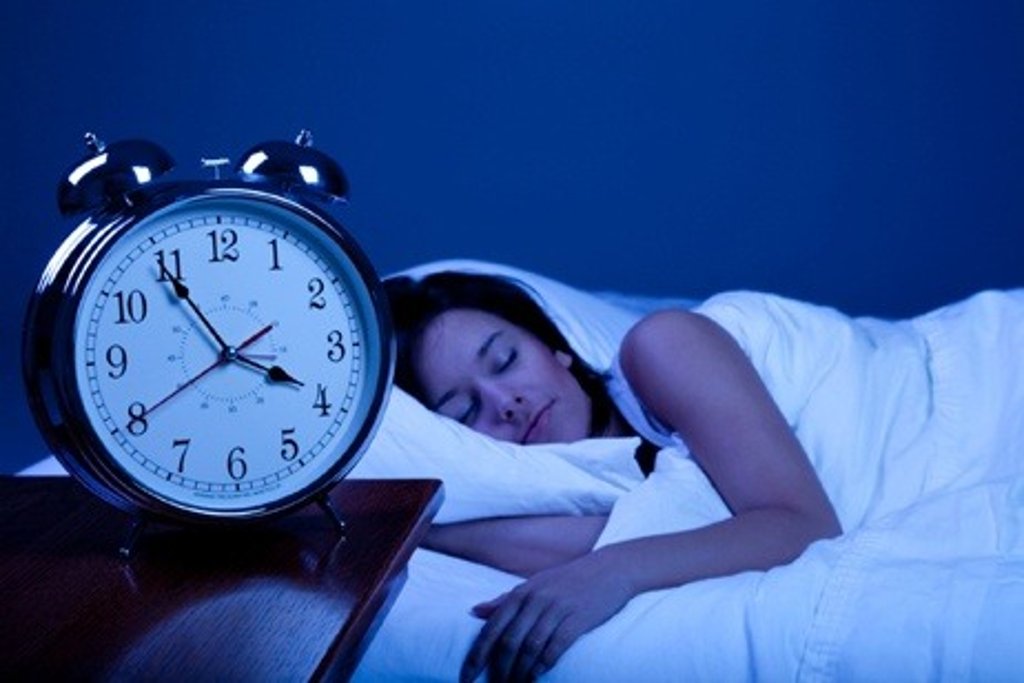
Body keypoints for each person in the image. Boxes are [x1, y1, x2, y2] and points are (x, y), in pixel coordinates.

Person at [386, 271, 843, 682]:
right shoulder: (588, 490)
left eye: (506, 360)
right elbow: (628, 533)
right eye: (465, 411)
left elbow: (803, 523)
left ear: (556, 349)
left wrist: (615, 570)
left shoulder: (662, 347)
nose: (506, 402)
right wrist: (425, 528)